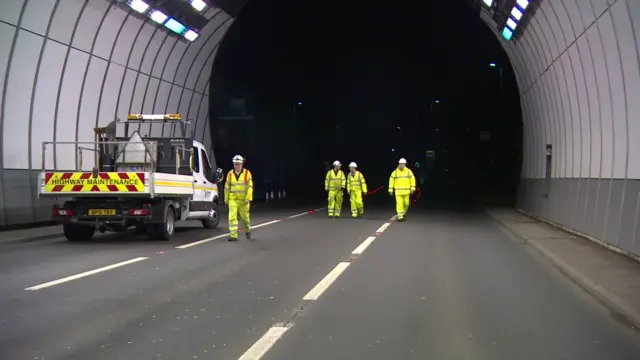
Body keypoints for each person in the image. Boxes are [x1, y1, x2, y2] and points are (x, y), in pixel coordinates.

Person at [224, 155, 253, 241]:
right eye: (235, 164)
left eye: (238, 164)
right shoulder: (230, 174)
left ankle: (247, 230)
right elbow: (227, 187)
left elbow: (249, 187)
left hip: (244, 200)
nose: (236, 166)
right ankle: (233, 235)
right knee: (232, 216)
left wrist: (248, 198)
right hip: (233, 199)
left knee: (245, 219)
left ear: (242, 164)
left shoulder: (247, 173)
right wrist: (226, 199)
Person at [388, 158, 415, 222]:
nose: (401, 165)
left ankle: (403, 213)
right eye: (400, 164)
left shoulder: (408, 171)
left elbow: (412, 180)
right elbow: (391, 181)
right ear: (399, 164)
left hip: (406, 192)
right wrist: (390, 190)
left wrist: (412, 188)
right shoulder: (395, 172)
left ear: (405, 164)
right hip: (398, 192)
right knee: (399, 204)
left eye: (403, 164)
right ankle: (400, 217)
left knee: (406, 204)